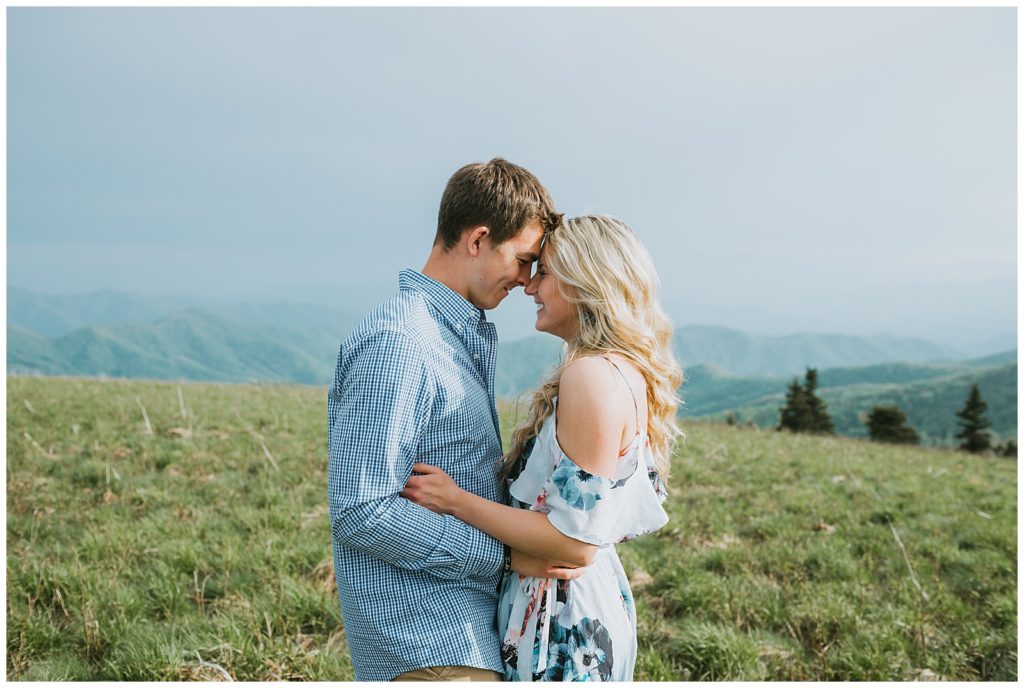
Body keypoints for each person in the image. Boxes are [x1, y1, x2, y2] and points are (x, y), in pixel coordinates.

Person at [402, 215, 683, 681]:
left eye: (545, 272)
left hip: (562, 618)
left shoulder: (592, 377)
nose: (531, 286)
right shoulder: (621, 371)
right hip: (576, 603)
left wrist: (455, 501)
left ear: (584, 280)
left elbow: (573, 543)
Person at [327, 158, 571, 682]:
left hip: (462, 634)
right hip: (427, 641)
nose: (527, 280)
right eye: (523, 259)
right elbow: (360, 511)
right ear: (478, 239)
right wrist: (502, 559)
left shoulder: (452, 336)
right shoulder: (402, 344)